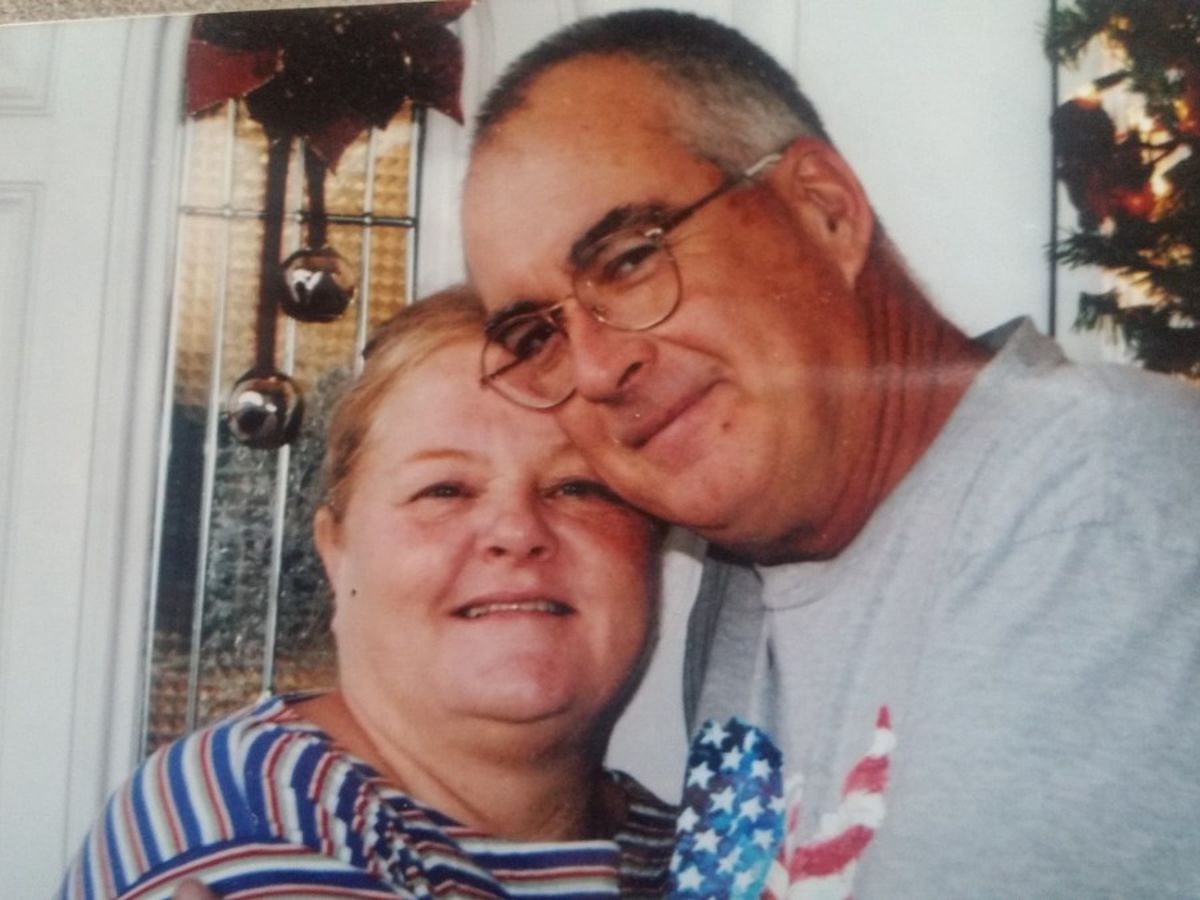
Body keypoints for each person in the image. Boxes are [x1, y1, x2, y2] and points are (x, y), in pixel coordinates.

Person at [461, 9, 1200, 897]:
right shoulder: (748, 575)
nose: (595, 368)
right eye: (535, 336)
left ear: (824, 210)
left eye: (627, 259)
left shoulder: (1092, 501)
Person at [60, 288, 675, 899]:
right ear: (336, 550)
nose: (517, 532)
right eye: (444, 490)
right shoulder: (245, 808)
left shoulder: (690, 847)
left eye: (577, 487)